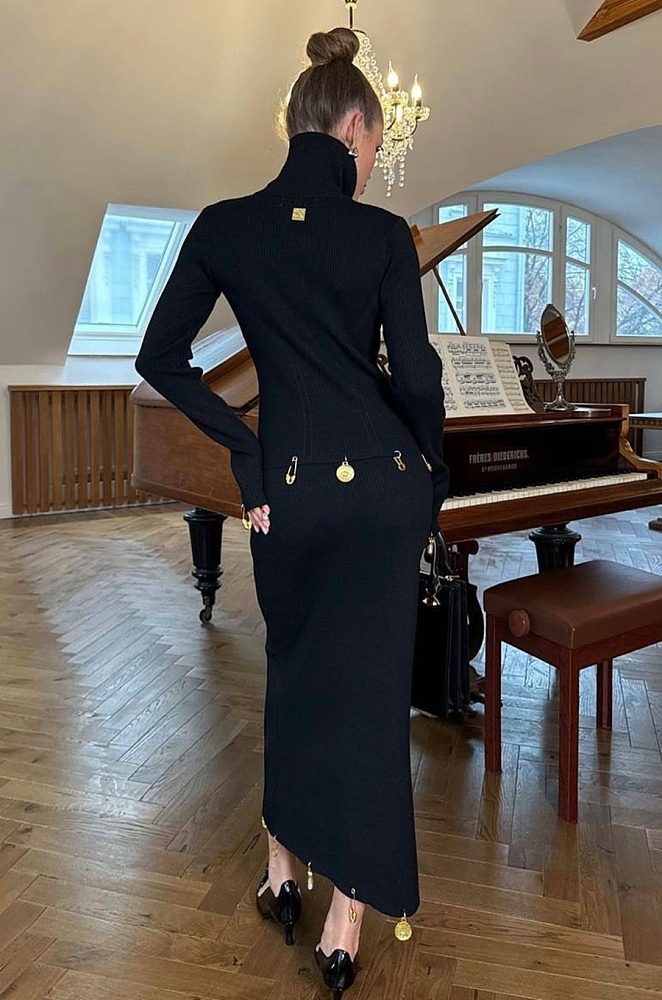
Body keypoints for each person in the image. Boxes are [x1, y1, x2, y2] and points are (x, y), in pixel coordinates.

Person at [134, 24, 448, 999]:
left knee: (295, 673)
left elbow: (158, 359)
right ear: (352, 128)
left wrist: (247, 453)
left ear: (295, 126)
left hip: (289, 494)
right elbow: (418, 376)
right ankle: (347, 918)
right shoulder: (383, 235)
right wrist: (428, 471)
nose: (372, 159)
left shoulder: (226, 226)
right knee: (370, 699)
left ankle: (281, 870)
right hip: (383, 490)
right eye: (375, 142)